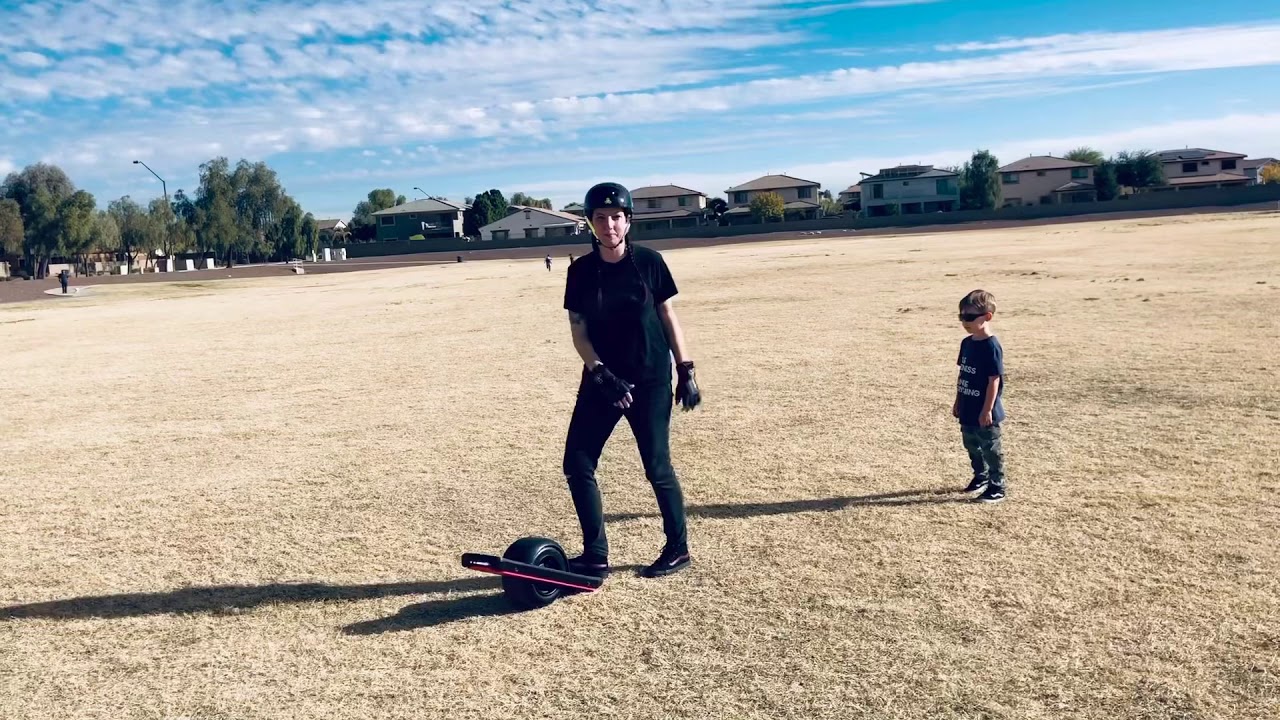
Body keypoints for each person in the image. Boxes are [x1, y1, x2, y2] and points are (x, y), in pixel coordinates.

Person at [561, 182, 702, 579]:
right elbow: (579, 331)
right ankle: (595, 555)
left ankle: (678, 548)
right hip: (603, 382)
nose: (609, 225)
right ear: (590, 223)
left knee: (657, 466)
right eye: (601, 218)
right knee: (577, 464)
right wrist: (600, 373)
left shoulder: (650, 262)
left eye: (617, 217)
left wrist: (685, 369)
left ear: (628, 221)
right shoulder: (580, 272)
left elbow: (668, 317)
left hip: (650, 378)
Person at [952, 289, 1007, 503]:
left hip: (985, 409)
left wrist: (987, 409)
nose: (964, 321)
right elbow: (963, 372)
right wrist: (958, 400)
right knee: (971, 444)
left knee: (990, 447)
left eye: (969, 317)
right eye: (961, 316)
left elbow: (994, 379)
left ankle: (997, 485)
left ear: (987, 317)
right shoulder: (967, 343)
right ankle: (980, 476)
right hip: (967, 405)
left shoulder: (991, 346)